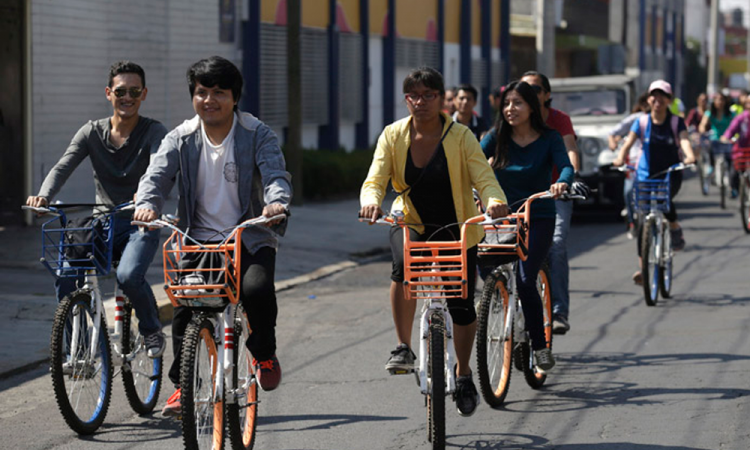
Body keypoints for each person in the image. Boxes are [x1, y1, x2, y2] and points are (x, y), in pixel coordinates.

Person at [133, 56, 292, 416]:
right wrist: (146, 204)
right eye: (202, 92)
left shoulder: (256, 133)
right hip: (198, 240)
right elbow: (156, 176)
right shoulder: (181, 137)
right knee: (185, 307)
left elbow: (276, 175)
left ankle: (264, 353)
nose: (209, 100)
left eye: (219, 92)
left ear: (234, 97)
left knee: (256, 291)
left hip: (248, 236)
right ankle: (183, 387)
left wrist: (276, 203)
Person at [360, 67, 509, 417]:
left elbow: (484, 177)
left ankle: (464, 373)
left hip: (457, 226)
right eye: (413, 95)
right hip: (411, 220)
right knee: (403, 267)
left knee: (461, 305)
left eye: (429, 95)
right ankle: (403, 346)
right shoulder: (393, 134)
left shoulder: (461, 136)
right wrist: (370, 201)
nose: (420, 101)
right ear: (405, 99)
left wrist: (494, 201)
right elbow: (375, 179)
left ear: (443, 99)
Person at [26, 61, 168, 358]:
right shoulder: (91, 132)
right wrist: (43, 196)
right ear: (108, 93)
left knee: (128, 276)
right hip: (101, 223)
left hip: (139, 223)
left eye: (134, 91)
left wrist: (146, 199)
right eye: (120, 91)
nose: (127, 97)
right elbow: (63, 166)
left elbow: (159, 169)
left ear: (144, 94)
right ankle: (77, 348)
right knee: (66, 276)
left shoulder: (154, 131)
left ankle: (151, 328)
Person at [480, 80, 574, 373]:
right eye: (507, 103)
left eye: (518, 103)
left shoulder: (549, 138)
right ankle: (498, 297)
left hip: (538, 217)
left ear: (532, 107)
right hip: (501, 217)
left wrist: (562, 183)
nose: (510, 109)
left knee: (525, 279)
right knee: (481, 260)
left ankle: (539, 346)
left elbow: (566, 165)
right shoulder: (496, 136)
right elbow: (472, 161)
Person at [519, 70, 585, 336]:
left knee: (555, 245)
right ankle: (499, 297)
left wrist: (571, 178)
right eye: (523, 89)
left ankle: (558, 311)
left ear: (546, 95)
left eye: (535, 89)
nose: (528, 95)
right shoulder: (512, 119)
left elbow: (570, 150)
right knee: (496, 246)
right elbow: (490, 154)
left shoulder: (559, 121)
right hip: (519, 194)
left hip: (555, 193)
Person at [613, 80, 696, 285]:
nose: (657, 100)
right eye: (654, 96)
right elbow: (628, 143)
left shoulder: (676, 122)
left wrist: (689, 155)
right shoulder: (641, 122)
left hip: (670, 173)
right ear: (648, 99)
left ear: (669, 100)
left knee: (663, 200)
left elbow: (684, 140)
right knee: (643, 223)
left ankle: (674, 228)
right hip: (645, 174)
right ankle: (643, 269)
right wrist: (620, 157)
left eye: (662, 96)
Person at [608, 92, 651, 238]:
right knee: (628, 192)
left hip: (654, 164)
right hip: (634, 163)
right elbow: (615, 133)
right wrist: (614, 145)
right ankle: (633, 222)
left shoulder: (664, 120)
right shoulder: (637, 119)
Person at [699, 92, 735, 181]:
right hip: (714, 138)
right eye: (717, 100)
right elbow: (702, 125)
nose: (720, 102)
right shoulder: (710, 113)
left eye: (722, 100)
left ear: (725, 101)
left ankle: (731, 180)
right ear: (714, 101)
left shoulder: (730, 114)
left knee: (731, 159)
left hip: (727, 139)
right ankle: (711, 166)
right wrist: (703, 131)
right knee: (709, 147)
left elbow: (735, 124)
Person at [721, 94, 750, 195]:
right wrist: (726, 137)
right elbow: (731, 129)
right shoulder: (741, 117)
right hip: (741, 151)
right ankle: (734, 189)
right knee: (734, 172)